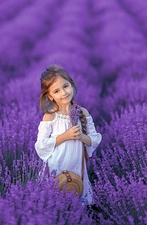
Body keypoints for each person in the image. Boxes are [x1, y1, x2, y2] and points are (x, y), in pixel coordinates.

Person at [34, 64, 102, 205]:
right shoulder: (51, 116)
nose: (64, 93)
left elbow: (95, 139)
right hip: (57, 165)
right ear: (50, 97)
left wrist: (82, 137)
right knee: (56, 197)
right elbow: (41, 145)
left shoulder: (83, 113)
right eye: (56, 91)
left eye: (66, 86)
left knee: (76, 191)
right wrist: (65, 136)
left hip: (77, 164)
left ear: (71, 85)